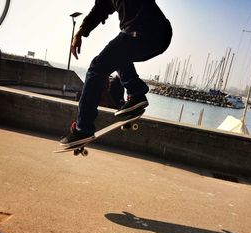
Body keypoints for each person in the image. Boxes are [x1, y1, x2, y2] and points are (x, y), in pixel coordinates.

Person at [60, 0, 172, 147]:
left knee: (96, 69)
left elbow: (100, 9)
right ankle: (136, 93)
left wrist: (80, 33)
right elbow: (99, 9)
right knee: (118, 55)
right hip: (159, 35)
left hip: (142, 29)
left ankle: (83, 128)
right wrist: (80, 32)